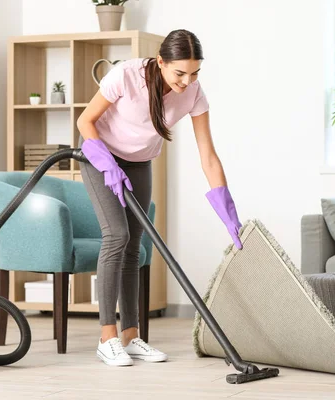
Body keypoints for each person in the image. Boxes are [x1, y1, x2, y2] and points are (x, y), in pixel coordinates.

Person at [76, 29, 243, 367]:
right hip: (100, 156)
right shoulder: (126, 75)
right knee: (116, 236)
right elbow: (85, 120)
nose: (187, 80)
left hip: (139, 163)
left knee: (134, 244)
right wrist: (106, 162)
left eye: (195, 72)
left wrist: (227, 210)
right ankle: (107, 337)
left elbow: (208, 154)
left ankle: (130, 336)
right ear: (161, 61)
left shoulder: (194, 93)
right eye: (180, 72)